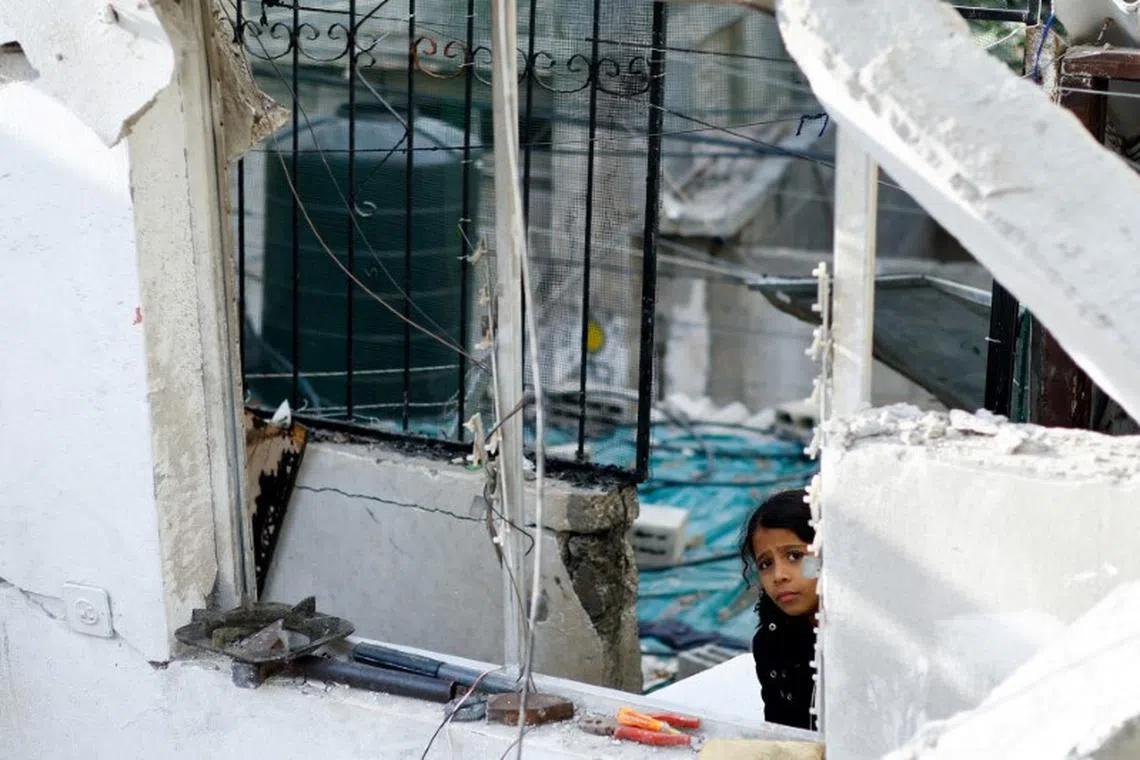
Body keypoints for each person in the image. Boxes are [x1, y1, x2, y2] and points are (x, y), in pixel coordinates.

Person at [739, 487, 818, 731]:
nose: (778, 576)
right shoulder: (771, 644)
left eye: (795, 556)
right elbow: (781, 740)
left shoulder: (866, 644)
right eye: (765, 563)